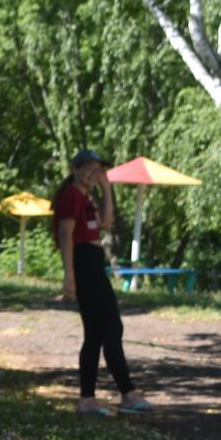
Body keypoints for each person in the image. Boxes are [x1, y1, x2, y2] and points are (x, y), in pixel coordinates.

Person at [54, 150, 152, 416]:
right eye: (87, 169)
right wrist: (69, 276)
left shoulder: (85, 198)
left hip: (93, 264)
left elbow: (106, 223)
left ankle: (91, 398)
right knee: (109, 328)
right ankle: (127, 394)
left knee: (98, 333)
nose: (92, 174)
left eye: (97, 170)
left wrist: (107, 189)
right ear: (74, 170)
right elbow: (65, 235)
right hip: (84, 264)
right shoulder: (72, 196)